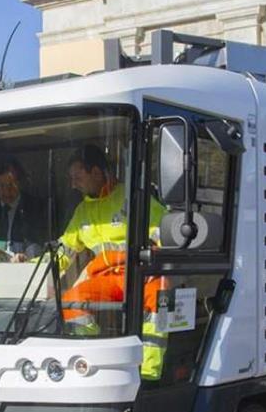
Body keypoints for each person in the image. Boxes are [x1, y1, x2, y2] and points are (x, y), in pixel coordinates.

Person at [15, 145, 167, 380]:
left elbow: (165, 232)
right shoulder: (83, 211)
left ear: (96, 172)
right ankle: (89, 357)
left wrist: (155, 261)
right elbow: (64, 250)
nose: (73, 184)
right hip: (107, 280)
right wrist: (30, 264)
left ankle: (148, 375)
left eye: (77, 177)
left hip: (139, 275)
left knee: (157, 297)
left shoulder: (134, 198)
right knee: (71, 302)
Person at [0, 159, 48, 261]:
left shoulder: (35, 208)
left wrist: (7, 256)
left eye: (11, 185)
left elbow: (37, 249)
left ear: (19, 182)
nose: (6, 192)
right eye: (1, 186)